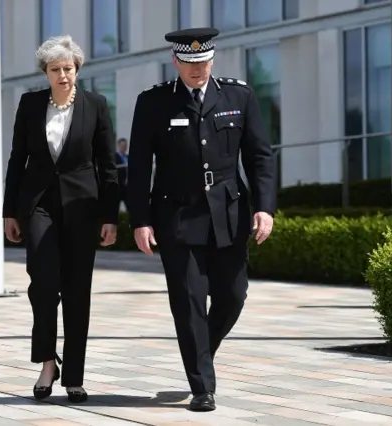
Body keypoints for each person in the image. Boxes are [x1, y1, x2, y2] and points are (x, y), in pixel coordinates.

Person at [127, 27, 276, 412]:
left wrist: (265, 208)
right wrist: (139, 220)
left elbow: (259, 157)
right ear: (176, 62)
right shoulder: (154, 103)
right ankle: (202, 387)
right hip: (176, 216)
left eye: (204, 61)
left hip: (228, 213)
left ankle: (201, 352)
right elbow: (140, 167)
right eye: (190, 63)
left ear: (213, 58)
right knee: (189, 303)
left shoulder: (238, 95)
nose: (198, 69)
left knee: (233, 295)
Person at [3, 35, 119, 404]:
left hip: (83, 207)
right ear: (46, 72)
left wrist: (109, 216)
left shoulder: (96, 105)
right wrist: (9, 211)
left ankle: (74, 376)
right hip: (37, 205)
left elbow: (108, 165)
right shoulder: (30, 104)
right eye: (55, 70)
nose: (63, 75)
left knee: (76, 291)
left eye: (68, 68)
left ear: (77, 69)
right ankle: (47, 363)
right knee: (42, 285)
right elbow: (16, 160)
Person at [115, 138, 129, 211]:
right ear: (119, 146)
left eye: (125, 146)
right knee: (115, 208)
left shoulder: (128, 157)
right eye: (122, 146)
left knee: (130, 207)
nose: (124, 147)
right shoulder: (114, 157)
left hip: (127, 187)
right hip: (118, 187)